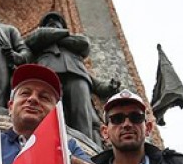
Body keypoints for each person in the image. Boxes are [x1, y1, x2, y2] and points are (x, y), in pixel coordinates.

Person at [26, 11, 119, 141]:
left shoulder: (70, 49)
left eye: (56, 20)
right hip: (48, 74)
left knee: (81, 112)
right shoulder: (40, 39)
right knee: (51, 112)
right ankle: (49, 142)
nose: (53, 21)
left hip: (77, 76)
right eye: (49, 21)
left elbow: (84, 44)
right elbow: (32, 40)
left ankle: (86, 146)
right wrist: (63, 36)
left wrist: (109, 87)